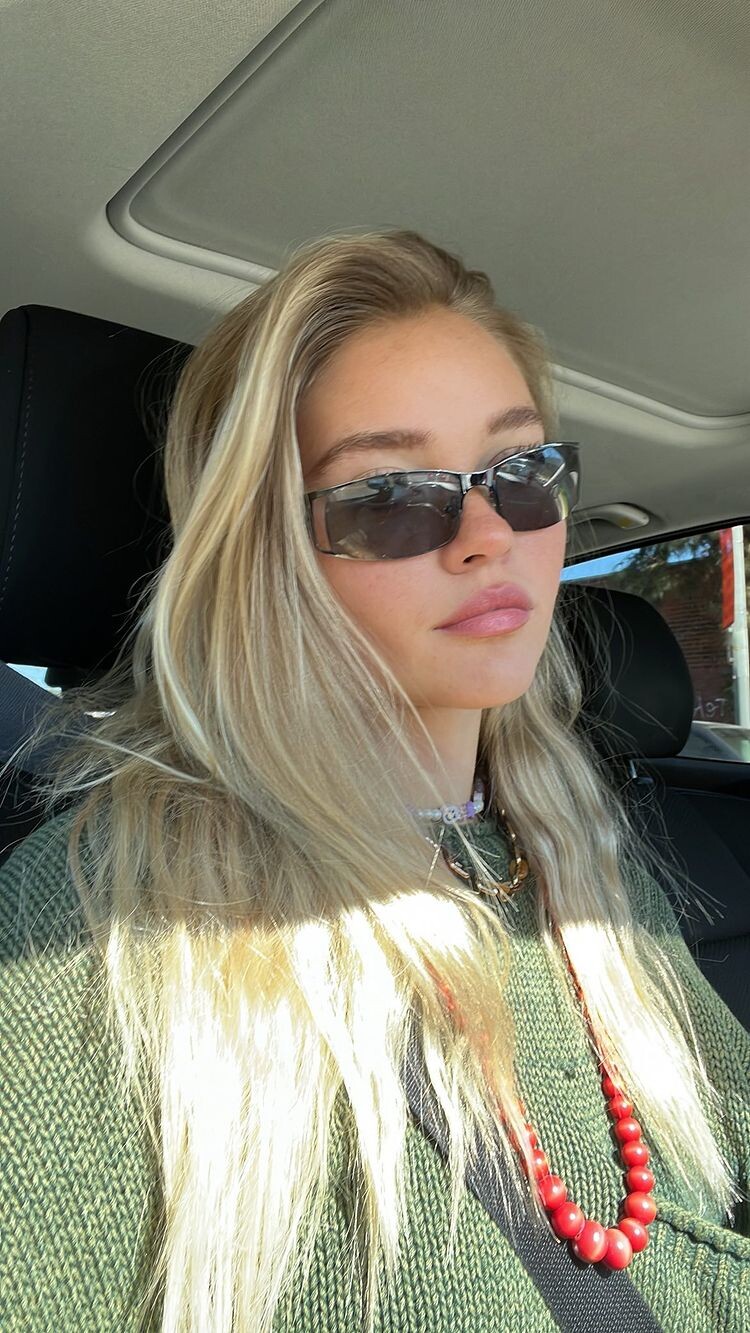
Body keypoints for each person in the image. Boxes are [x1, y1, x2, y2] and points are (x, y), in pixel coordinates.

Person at [0, 227, 748, 1333]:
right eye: (390, 493)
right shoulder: (111, 914)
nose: (488, 534)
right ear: (264, 554)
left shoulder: (584, 852)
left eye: (523, 472)